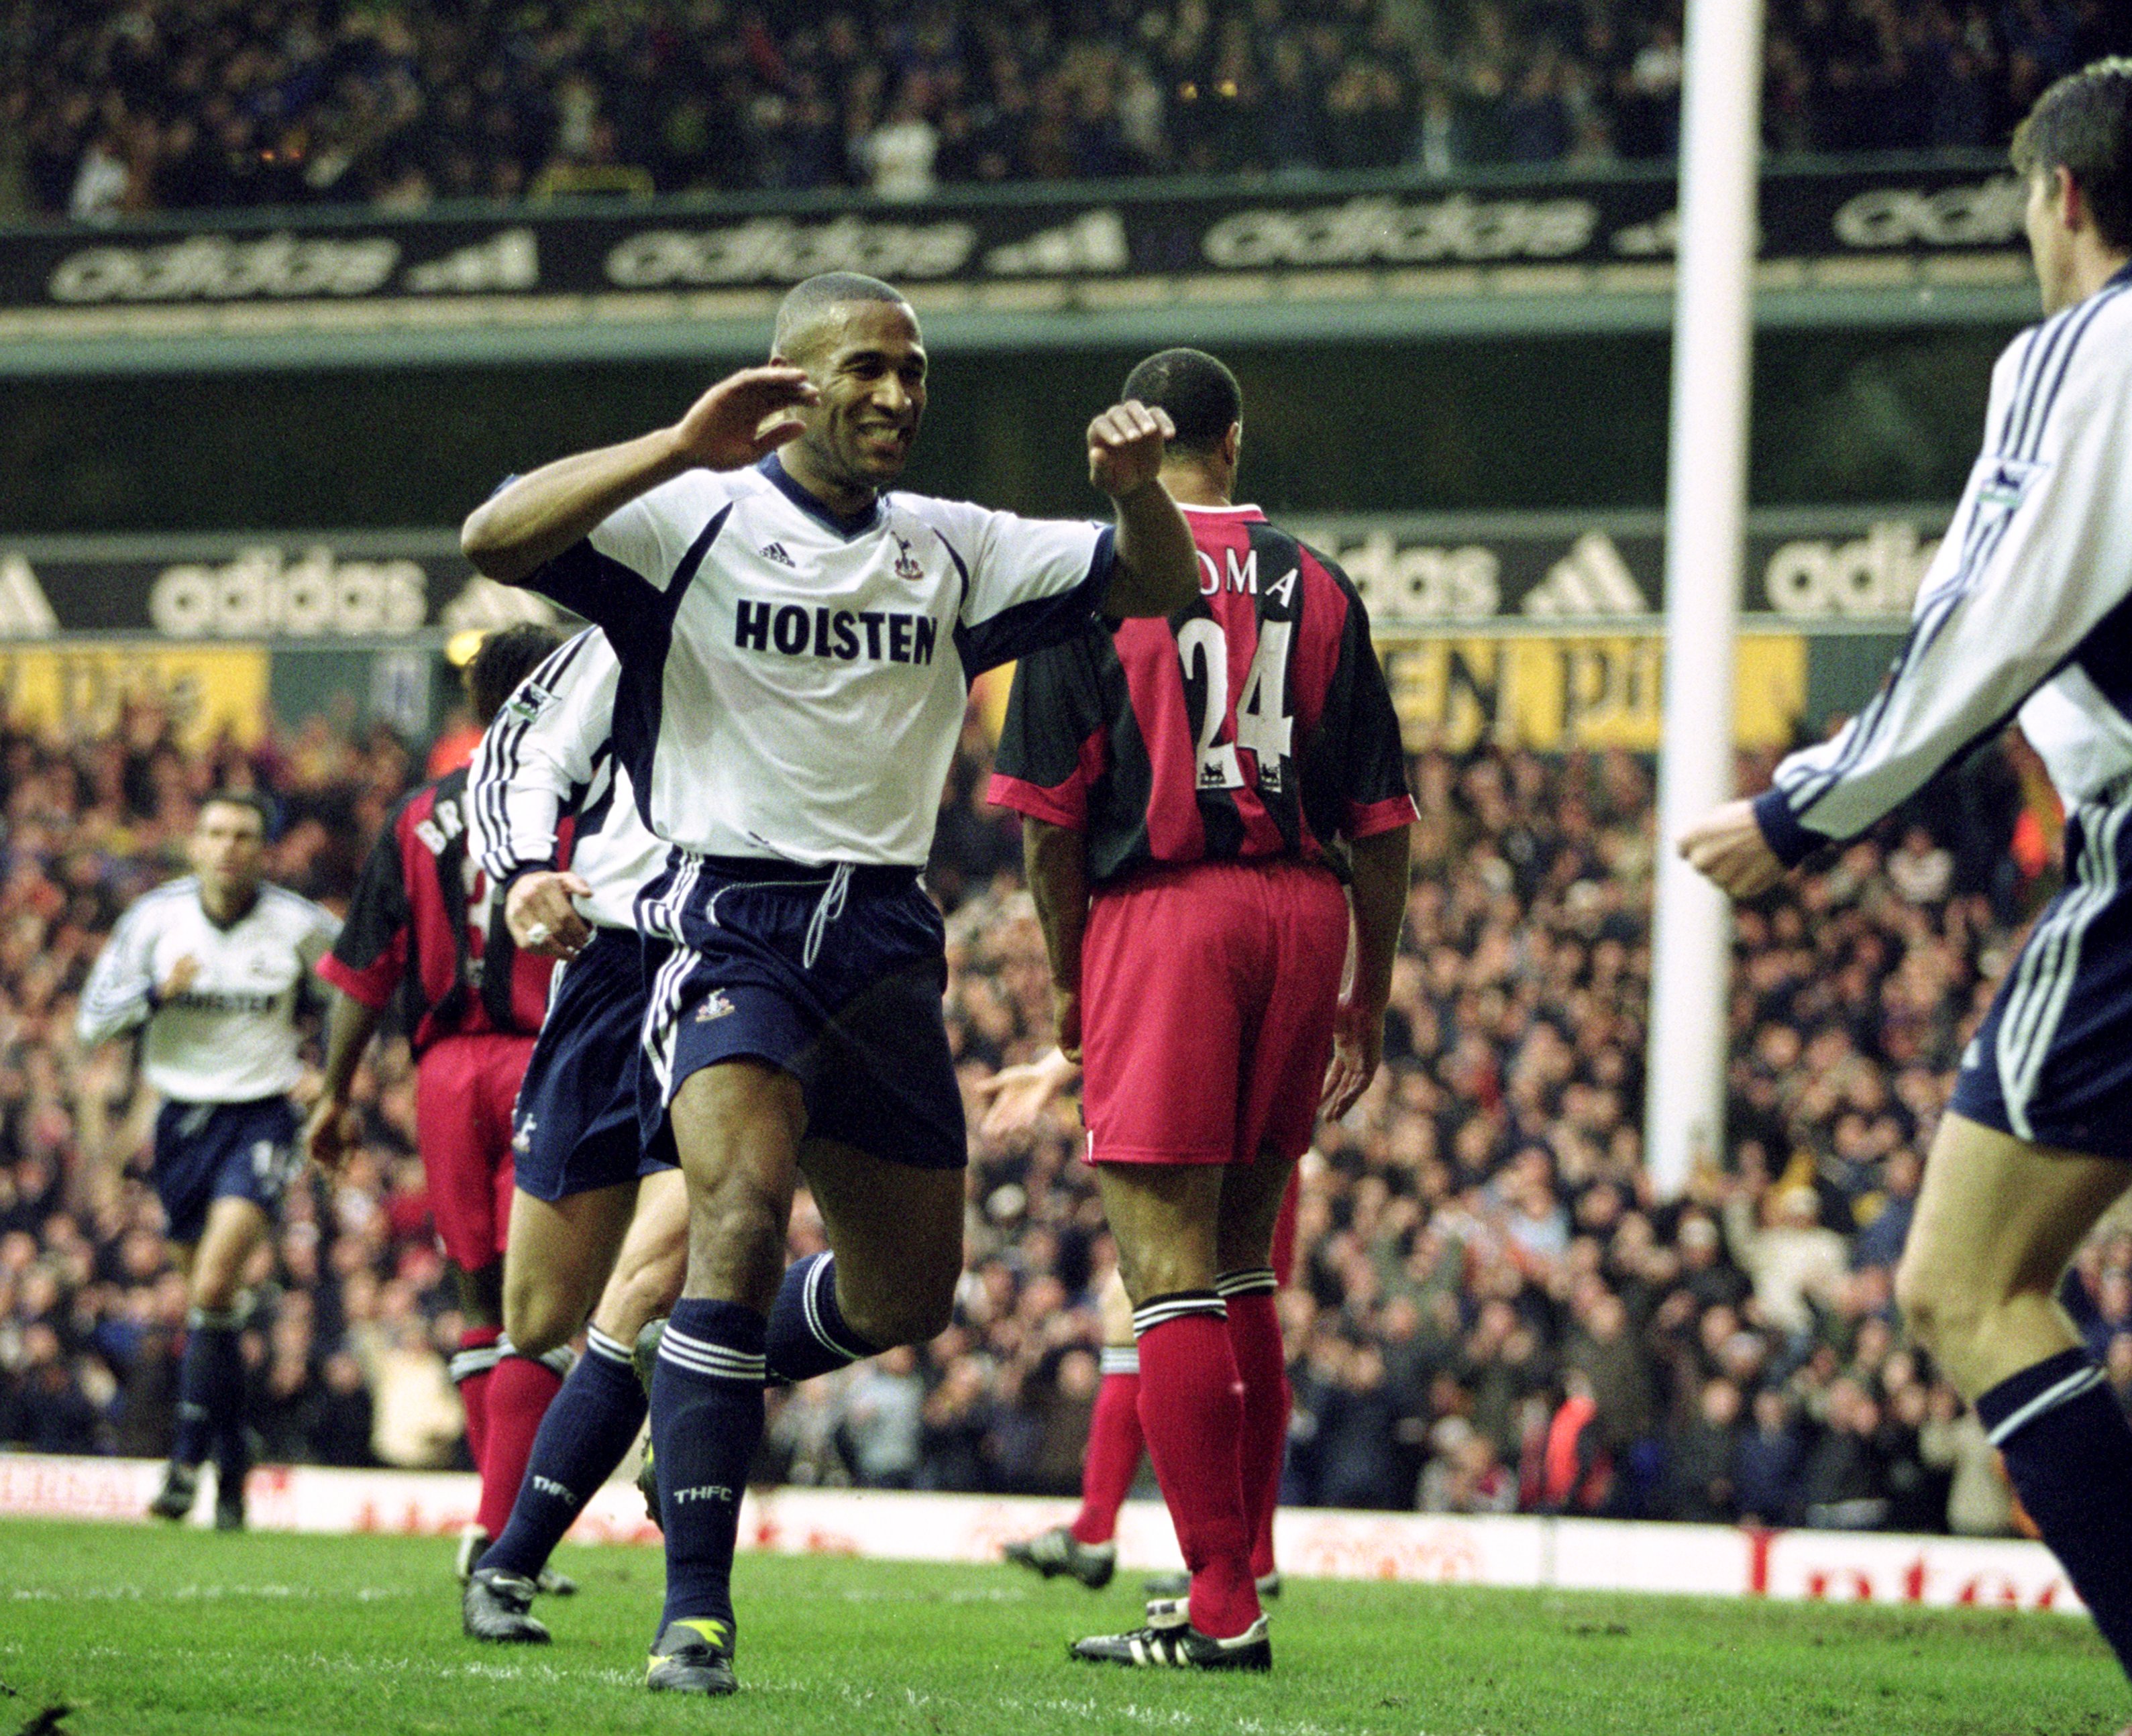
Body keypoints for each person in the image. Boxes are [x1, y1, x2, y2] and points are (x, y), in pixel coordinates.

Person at [1681, 60, 2132, 1736]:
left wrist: (1807, 809)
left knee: (1957, 1279)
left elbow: (1993, 609)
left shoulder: (2089, 344)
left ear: (2061, 195)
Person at [458, 269, 1199, 1694]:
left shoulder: (954, 546)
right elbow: (494, 533)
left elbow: (1156, 582)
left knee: (907, 1292)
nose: (898, 396)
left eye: (914, 373)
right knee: (729, 1213)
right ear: (791, 378)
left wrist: (1135, 491)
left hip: (881, 945)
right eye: (868, 368)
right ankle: (694, 1613)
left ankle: (699, 1382)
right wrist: (682, 442)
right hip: (723, 923)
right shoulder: (694, 517)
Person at [986, 347, 1415, 1670]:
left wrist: (1071, 993)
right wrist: (1369, 992)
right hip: (1300, 912)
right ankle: (1250, 1556)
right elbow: (1387, 820)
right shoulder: (1322, 582)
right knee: (1241, 1266)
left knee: (1163, 1276)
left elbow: (1049, 831)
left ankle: (1220, 1599)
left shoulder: (1091, 584)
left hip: (1164, 914)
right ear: (1230, 442)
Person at [305, 625, 571, 1584]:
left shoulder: (418, 816)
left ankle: (497, 1526)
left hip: (445, 1073)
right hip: (548, 1062)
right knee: (545, 1312)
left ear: (470, 708)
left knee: (480, 1300)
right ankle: (506, 1537)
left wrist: (334, 1095)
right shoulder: (586, 809)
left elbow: (363, 970)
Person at [453, 623, 692, 1643]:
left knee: (677, 1267)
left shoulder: (847, 609)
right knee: (541, 1312)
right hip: (608, 967)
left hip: (738, 959)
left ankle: (513, 1563)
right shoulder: (629, 626)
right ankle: (673, 1371)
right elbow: (510, 757)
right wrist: (519, 877)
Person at [76, 791, 340, 1529]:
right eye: (216, 832)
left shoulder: (298, 924)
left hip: (261, 1114)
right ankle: (234, 1455)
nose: (229, 846)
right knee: (210, 1304)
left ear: (264, 848)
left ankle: (187, 1461)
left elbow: (362, 986)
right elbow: (93, 1018)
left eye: (244, 835)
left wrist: (333, 1077)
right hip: (182, 1120)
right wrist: (160, 993)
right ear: (194, 843)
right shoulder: (155, 920)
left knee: (218, 1281)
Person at [983, 1052, 1295, 1603]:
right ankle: (1239, 1554)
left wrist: (1058, 1066)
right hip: (1256, 1107)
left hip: (1209, 1110)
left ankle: (1214, 1557)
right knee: (1203, 1302)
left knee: (1176, 1300)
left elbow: (1151, 988)